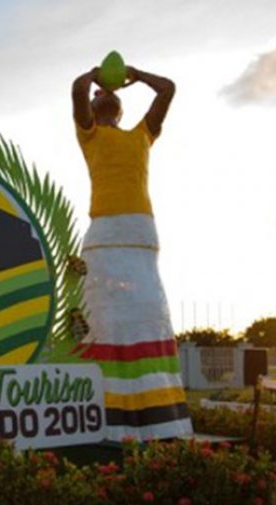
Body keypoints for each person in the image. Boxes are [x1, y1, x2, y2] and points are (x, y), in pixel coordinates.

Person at [71, 64, 192, 441]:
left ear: (121, 108)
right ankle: (105, 414)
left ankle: (159, 418)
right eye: (97, 96)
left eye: (107, 95)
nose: (101, 95)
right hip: (104, 234)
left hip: (140, 235)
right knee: (104, 318)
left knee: (145, 316)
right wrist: (95, 76)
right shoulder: (88, 135)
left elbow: (168, 88)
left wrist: (136, 75)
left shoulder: (142, 135)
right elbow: (77, 89)